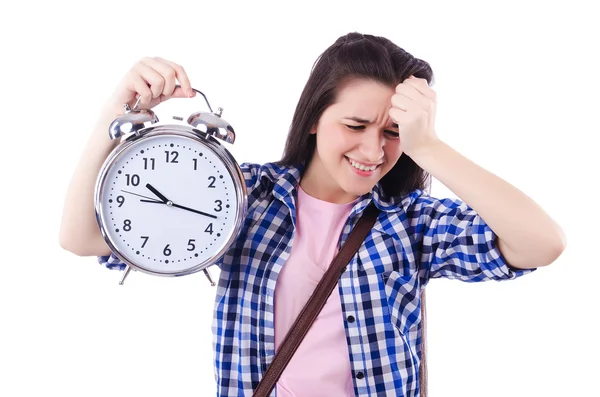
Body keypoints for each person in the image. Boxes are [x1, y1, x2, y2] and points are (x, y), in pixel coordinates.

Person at [59, 32, 566, 397]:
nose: (374, 149)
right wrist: (115, 111)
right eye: (356, 124)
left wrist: (428, 148)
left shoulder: (409, 223)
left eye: (392, 133)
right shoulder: (245, 199)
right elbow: (81, 237)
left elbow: (542, 243)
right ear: (312, 121)